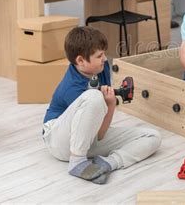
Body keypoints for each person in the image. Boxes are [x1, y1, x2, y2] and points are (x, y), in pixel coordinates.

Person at [42, 26, 161, 184]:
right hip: (59, 140)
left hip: (86, 139)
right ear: (80, 61)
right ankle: (77, 162)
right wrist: (110, 105)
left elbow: (97, 134)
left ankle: (107, 164)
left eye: (104, 53)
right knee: (93, 96)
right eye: (99, 55)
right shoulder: (71, 88)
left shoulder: (101, 68)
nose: (105, 59)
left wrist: (109, 101)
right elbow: (100, 134)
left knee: (152, 136)